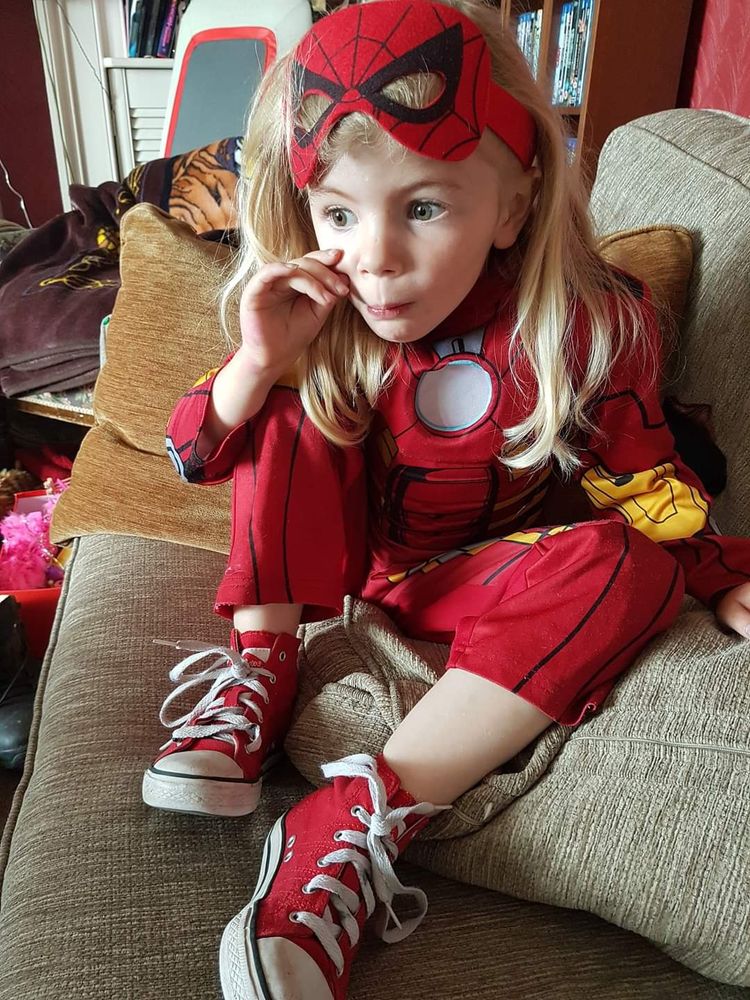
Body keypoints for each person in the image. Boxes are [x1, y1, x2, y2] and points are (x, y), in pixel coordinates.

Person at [143, 1, 750, 996]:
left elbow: (641, 478)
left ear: (513, 206)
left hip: (490, 580)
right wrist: (258, 362)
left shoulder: (592, 323)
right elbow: (193, 453)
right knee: (289, 410)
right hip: (359, 572)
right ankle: (259, 673)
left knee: (628, 558)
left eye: (424, 208)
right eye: (340, 215)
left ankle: (351, 819)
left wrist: (717, 570)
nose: (376, 256)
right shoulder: (322, 322)